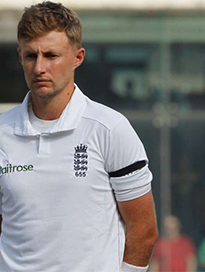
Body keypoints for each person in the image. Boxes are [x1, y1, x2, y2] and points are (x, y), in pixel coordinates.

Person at [0, 2, 158, 271]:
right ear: (20, 57)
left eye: (51, 55)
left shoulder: (110, 128)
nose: (39, 67)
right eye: (30, 56)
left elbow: (143, 231)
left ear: (78, 57)